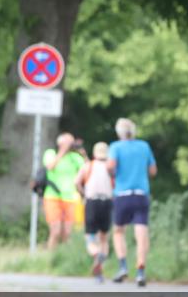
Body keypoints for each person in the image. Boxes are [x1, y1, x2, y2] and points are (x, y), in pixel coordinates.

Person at [107, 118, 157, 287]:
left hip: (122, 194)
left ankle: (123, 266)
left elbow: (111, 166)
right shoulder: (144, 146)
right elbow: (153, 170)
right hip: (142, 194)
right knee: (141, 231)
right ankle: (141, 269)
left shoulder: (115, 147)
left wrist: (113, 172)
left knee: (119, 231)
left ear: (119, 132)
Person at [75, 141, 114, 282]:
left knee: (90, 237)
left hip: (92, 202)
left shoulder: (88, 166)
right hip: (107, 202)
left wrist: (83, 193)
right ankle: (100, 268)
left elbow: (77, 182)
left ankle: (96, 254)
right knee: (104, 237)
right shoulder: (111, 168)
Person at [42, 132, 86, 250]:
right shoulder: (51, 153)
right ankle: (50, 258)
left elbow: (87, 169)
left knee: (68, 233)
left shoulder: (74, 157)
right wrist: (63, 150)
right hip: (52, 196)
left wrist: (82, 153)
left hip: (70, 197)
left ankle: (65, 259)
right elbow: (50, 166)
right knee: (55, 231)